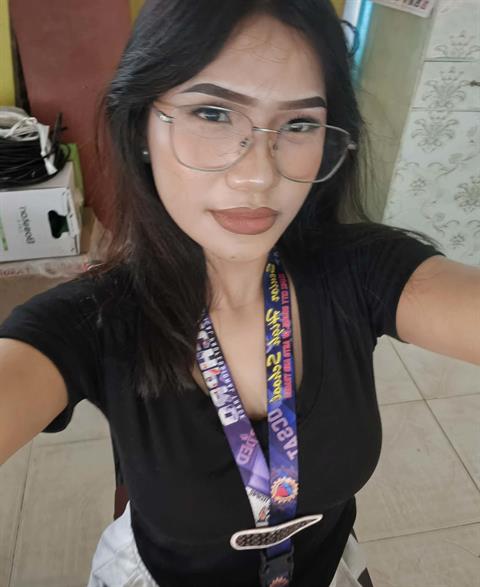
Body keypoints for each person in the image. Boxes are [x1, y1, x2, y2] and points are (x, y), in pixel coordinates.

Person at [1, 0, 460, 586]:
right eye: (213, 113)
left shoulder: (363, 271)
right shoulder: (90, 322)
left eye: (299, 124)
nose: (258, 175)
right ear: (140, 128)